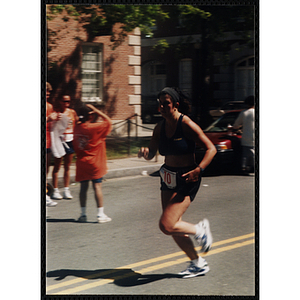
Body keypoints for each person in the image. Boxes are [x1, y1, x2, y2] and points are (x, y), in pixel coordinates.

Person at [138, 87, 217, 278]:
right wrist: (145, 153)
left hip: (186, 177)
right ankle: (198, 263)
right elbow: (152, 154)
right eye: (160, 103)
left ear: (175, 105)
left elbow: (211, 149)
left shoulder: (186, 124)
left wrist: (199, 170)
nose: (162, 106)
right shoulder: (159, 128)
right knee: (173, 226)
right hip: (167, 176)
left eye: (166, 103)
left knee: (166, 225)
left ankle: (200, 230)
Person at [73, 104, 112, 223]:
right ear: (90, 116)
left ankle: (83, 214)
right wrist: (96, 110)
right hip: (95, 162)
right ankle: (100, 215)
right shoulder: (95, 127)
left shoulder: (77, 128)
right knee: (97, 187)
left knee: (83, 188)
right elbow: (108, 121)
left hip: (82, 162)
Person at [51, 95, 78, 200]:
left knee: (67, 166)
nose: (66, 103)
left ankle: (66, 189)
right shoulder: (56, 113)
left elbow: (76, 124)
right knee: (57, 166)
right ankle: (56, 190)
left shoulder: (72, 112)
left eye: (68, 101)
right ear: (60, 101)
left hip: (70, 139)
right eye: (64, 101)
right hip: (60, 140)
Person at [232, 95, 255, 174]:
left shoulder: (244, 113)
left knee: (246, 154)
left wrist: (236, 128)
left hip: (247, 137)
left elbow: (236, 124)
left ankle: (244, 168)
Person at [46, 82, 57, 207]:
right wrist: (48, 119)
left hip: (48, 140)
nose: (48, 93)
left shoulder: (49, 106)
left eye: (49, 92)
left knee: (46, 169)